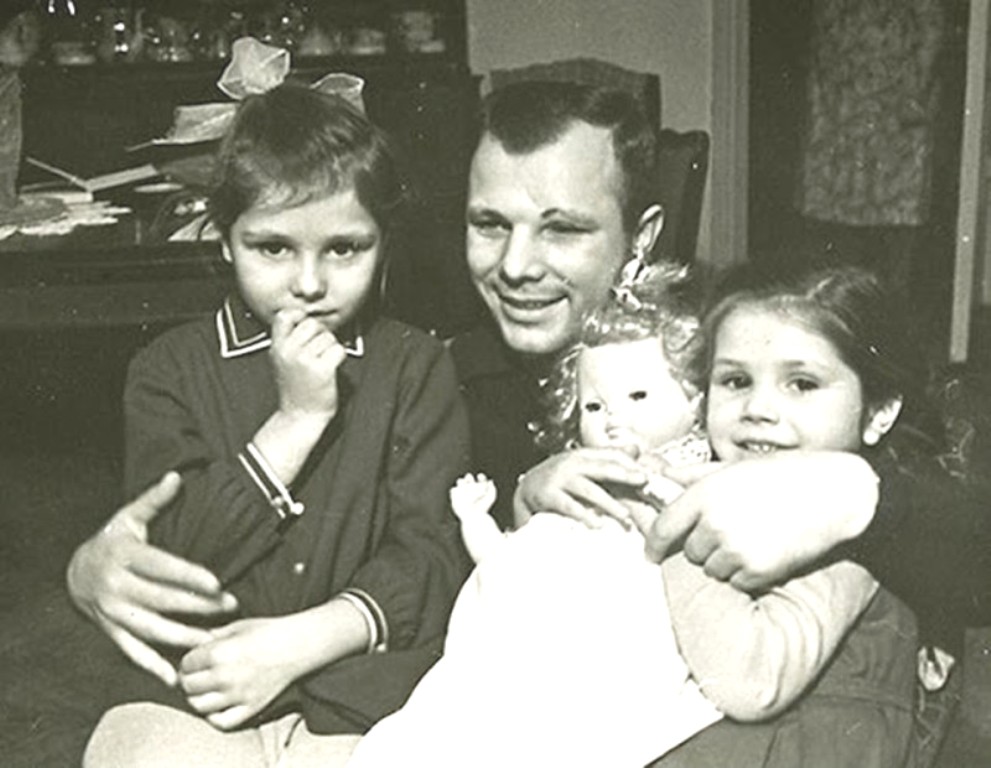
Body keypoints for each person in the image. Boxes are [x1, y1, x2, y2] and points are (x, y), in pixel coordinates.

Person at [57, 77, 988, 762]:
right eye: (489, 224)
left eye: (562, 228)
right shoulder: (451, 369)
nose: (516, 265)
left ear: (643, 238)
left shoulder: (724, 356)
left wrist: (854, 489)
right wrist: (89, 565)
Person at [347, 262, 900, 768]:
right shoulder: (688, 466)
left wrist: (665, 524)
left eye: (802, 385)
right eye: (735, 381)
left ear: (878, 412)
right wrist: (539, 491)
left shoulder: (846, 536)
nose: (758, 409)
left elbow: (752, 680)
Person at [79, 82, 470, 766]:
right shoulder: (167, 370)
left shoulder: (416, 366)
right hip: (196, 690)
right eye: (272, 248)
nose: (309, 284)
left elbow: (433, 557)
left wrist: (300, 643)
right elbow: (176, 559)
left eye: (345, 249)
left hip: (364, 692)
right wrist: (296, 421)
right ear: (225, 240)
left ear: (384, 243)